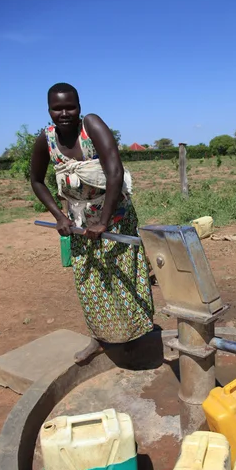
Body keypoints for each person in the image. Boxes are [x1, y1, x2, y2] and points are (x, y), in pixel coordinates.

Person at [31, 83, 154, 362]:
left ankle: (136, 337)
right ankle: (99, 339)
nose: (64, 113)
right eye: (57, 108)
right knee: (90, 283)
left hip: (116, 218)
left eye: (70, 107)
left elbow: (115, 172)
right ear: (49, 110)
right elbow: (36, 181)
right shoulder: (46, 139)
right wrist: (59, 217)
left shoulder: (91, 126)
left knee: (124, 279)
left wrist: (105, 220)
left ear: (79, 106)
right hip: (78, 223)